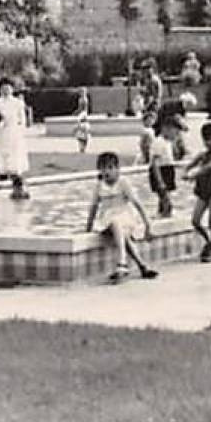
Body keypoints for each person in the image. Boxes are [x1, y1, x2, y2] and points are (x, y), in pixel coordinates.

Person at [86, 151, 156, 282]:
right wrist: (88, 228)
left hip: (125, 217)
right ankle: (141, 266)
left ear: (118, 169)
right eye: (103, 168)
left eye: (110, 167)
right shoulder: (99, 186)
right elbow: (93, 208)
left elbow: (137, 203)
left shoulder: (123, 182)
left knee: (118, 224)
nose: (106, 171)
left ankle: (122, 262)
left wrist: (148, 224)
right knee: (116, 225)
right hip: (106, 221)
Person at [183, 122, 211, 262]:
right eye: (207, 139)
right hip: (203, 190)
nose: (209, 142)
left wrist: (194, 174)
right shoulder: (203, 154)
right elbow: (191, 164)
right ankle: (209, 241)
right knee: (195, 220)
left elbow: (210, 166)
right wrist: (186, 171)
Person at [0, 78, 31, 200]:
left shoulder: (18, 103)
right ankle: (3, 175)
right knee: (3, 153)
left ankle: (17, 176)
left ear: (12, 89)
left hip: (15, 131)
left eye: (8, 88)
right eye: (3, 88)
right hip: (3, 132)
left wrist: (21, 129)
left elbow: (22, 119)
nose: (6, 90)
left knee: (15, 154)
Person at [149, 114, 182, 218]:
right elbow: (155, 163)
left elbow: (173, 158)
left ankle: (161, 214)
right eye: (175, 132)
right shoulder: (159, 142)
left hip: (167, 170)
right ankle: (165, 215)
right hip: (161, 172)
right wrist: (160, 181)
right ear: (165, 129)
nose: (176, 135)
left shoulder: (168, 142)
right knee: (166, 199)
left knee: (164, 198)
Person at [73, 87, 92, 154]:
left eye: (83, 92)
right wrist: (77, 112)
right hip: (82, 116)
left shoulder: (84, 99)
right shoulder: (81, 99)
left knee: (83, 132)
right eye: (81, 92)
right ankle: (82, 148)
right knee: (81, 133)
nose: (82, 93)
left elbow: (84, 109)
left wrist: (79, 114)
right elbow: (80, 108)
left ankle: (83, 148)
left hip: (83, 116)